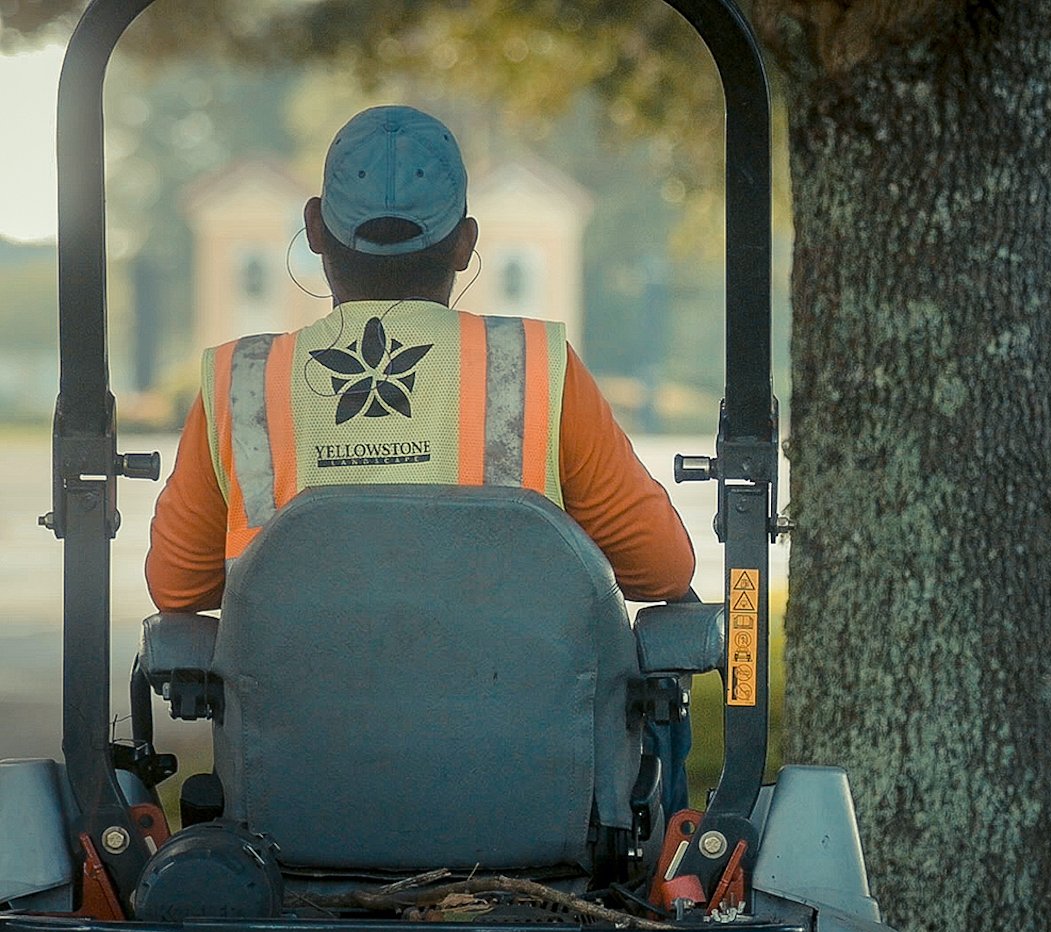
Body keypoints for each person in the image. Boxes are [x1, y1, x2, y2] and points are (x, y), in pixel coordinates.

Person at [146, 104, 694, 612]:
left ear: (314, 229)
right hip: (500, 713)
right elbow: (662, 572)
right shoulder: (538, 371)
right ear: (465, 242)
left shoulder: (240, 382)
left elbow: (178, 586)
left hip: (299, 717)